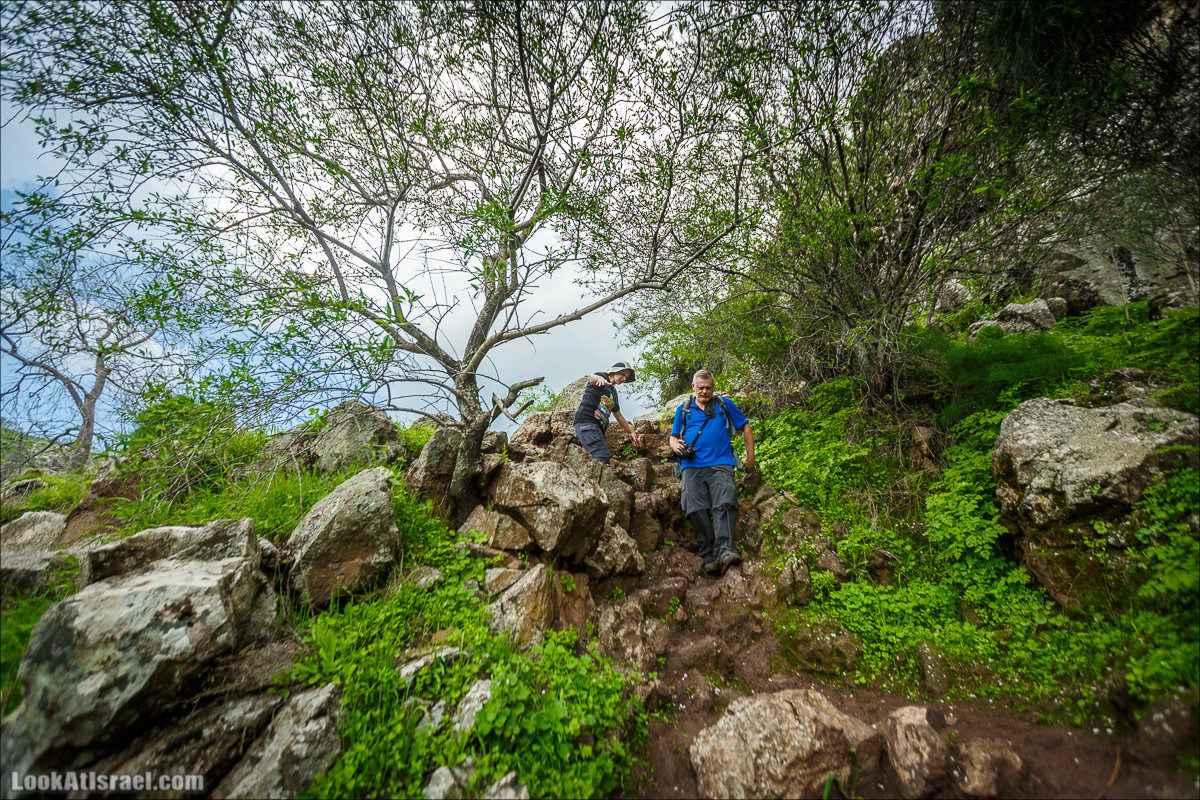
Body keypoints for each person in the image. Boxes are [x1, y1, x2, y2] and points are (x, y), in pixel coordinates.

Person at [669, 369, 755, 576]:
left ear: (713, 387)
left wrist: (750, 457)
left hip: (721, 462)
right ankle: (707, 554)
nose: (705, 392)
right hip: (691, 466)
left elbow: (746, 427)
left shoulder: (725, 405)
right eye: (701, 388)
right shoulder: (684, 409)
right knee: (694, 507)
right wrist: (676, 447)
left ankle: (725, 551)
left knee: (725, 502)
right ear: (693, 387)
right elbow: (673, 437)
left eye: (708, 388)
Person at [573, 361, 643, 463]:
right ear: (615, 371)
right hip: (587, 422)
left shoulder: (613, 393)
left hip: (596, 428)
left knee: (599, 458)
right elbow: (592, 378)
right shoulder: (602, 377)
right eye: (623, 374)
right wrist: (599, 378)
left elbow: (618, 415)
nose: (624, 379)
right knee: (602, 457)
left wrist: (631, 432)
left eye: (626, 377)